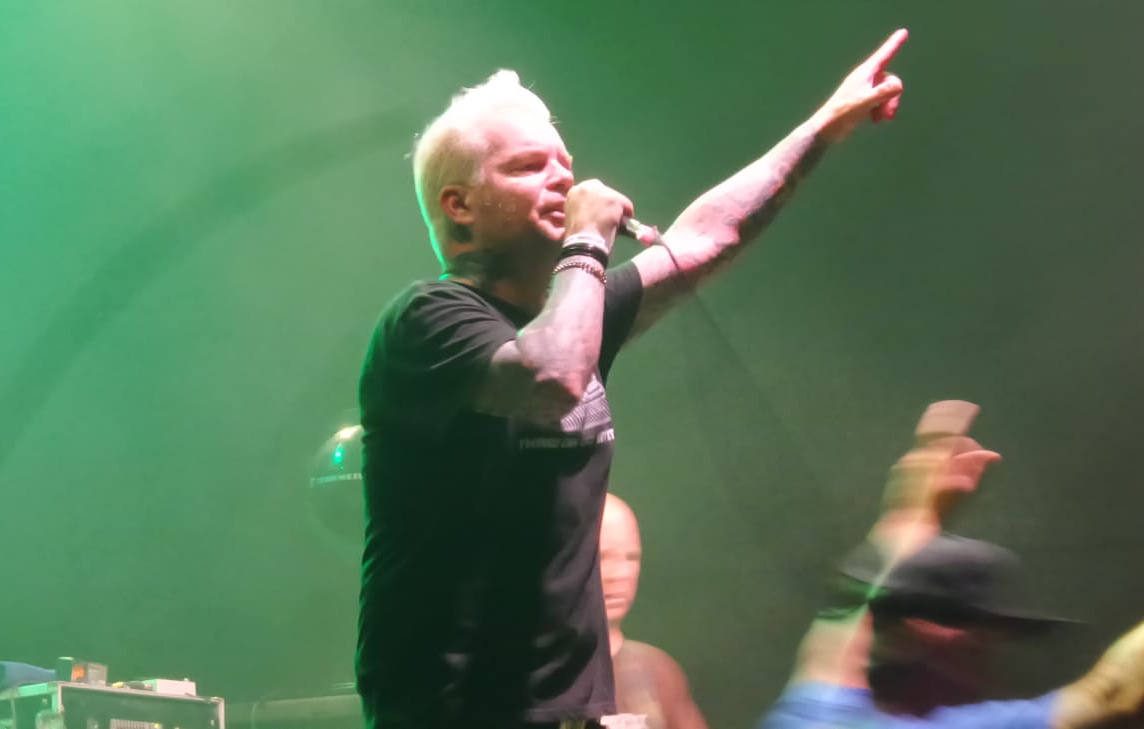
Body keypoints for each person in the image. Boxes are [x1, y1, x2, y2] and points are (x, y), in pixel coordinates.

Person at [356, 29, 911, 729]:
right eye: (528, 166)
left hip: (572, 713)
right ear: (459, 205)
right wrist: (587, 240)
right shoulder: (427, 319)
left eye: (565, 163)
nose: (564, 180)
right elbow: (550, 379)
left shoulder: (576, 310)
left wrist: (823, 126)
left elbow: (706, 237)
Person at [760, 400, 1144, 729]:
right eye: (985, 631)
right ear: (934, 632)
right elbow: (1118, 697)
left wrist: (914, 512)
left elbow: (849, 622)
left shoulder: (812, 713)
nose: (991, 654)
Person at [599, 494, 709, 729]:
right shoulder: (527, 676)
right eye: (600, 558)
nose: (619, 574)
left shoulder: (657, 672)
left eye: (631, 558)